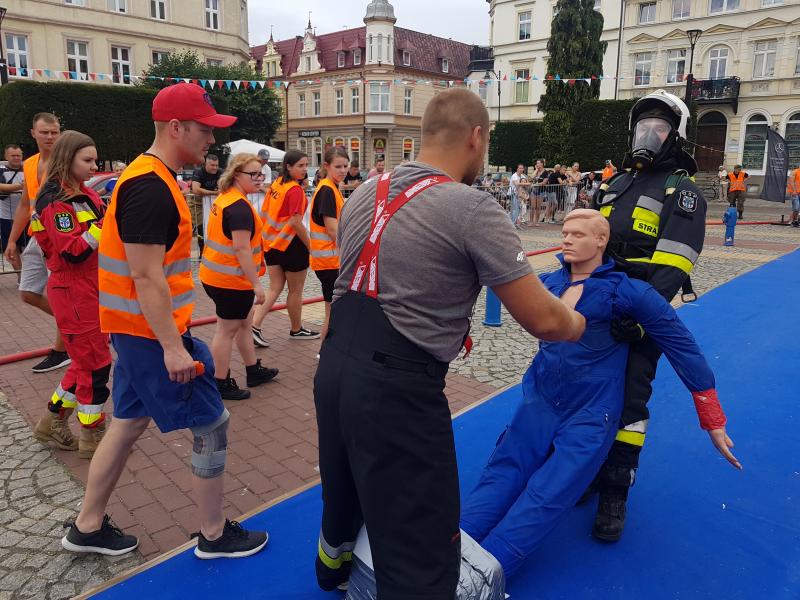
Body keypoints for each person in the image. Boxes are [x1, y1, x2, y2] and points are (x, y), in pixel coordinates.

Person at [312, 88, 585, 598]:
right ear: (476, 138)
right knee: (422, 533)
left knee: (344, 481)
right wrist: (579, 319)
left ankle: (333, 570)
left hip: (334, 367)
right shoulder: (471, 207)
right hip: (398, 388)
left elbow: (352, 287)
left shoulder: (363, 194)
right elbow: (543, 320)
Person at [460, 210, 741, 578]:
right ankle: (449, 548)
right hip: (539, 402)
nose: (568, 238)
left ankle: (481, 576)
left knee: (549, 493)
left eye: (578, 233)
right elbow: (488, 288)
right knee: (503, 471)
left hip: (591, 414)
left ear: (601, 240)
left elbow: (681, 345)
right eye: (565, 232)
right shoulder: (545, 284)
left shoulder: (628, 291)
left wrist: (712, 416)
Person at [62, 83, 268, 559]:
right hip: (149, 336)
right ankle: (214, 535)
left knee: (128, 423)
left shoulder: (149, 177)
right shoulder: (150, 187)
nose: (211, 141)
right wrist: (173, 347)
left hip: (135, 332)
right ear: (176, 127)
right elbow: (146, 275)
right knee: (212, 423)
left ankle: (86, 525)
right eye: (205, 130)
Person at [591, 89, 708, 541]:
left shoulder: (683, 191)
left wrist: (643, 316)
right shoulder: (613, 184)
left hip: (642, 314)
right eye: (643, 127)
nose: (649, 134)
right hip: (599, 309)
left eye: (659, 128)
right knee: (588, 395)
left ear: (675, 137)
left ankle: (615, 492)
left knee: (630, 404)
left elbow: (676, 264)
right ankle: (585, 470)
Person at [30, 131, 110, 458]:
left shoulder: (82, 194)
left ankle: (52, 421)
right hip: (73, 288)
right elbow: (72, 252)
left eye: (94, 160)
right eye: (87, 160)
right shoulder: (56, 201)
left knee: (84, 362)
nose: (94, 166)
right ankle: (93, 438)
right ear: (68, 158)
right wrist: (103, 226)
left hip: (90, 286)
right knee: (96, 365)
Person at [199, 153, 279, 400]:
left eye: (261, 173)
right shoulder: (238, 208)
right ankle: (220, 382)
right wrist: (257, 285)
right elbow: (241, 248)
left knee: (244, 323)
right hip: (230, 281)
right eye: (253, 174)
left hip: (216, 275)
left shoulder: (226, 199)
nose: (259, 178)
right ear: (236, 175)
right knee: (226, 330)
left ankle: (253, 369)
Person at [3, 113, 71, 373]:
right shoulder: (29, 164)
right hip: (36, 236)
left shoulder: (66, 161)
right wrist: (11, 240)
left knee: (61, 293)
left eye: (54, 132)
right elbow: (25, 203)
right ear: (33, 133)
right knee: (28, 292)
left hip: (60, 238)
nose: (50, 137)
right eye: (44, 132)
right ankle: (75, 326)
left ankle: (61, 349)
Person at [250, 150, 319, 347]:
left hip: (272, 243)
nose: (305, 170)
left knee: (274, 287)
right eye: (300, 165)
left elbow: (267, 212)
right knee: (295, 290)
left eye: (306, 165)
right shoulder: (295, 190)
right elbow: (296, 223)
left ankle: (254, 325)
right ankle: (296, 329)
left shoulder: (277, 184)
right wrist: (311, 246)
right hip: (291, 244)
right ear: (289, 166)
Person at [309, 146, 349, 343]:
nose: (342, 170)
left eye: (345, 166)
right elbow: (332, 229)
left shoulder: (331, 188)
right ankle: (324, 353)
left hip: (329, 259)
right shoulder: (327, 190)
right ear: (326, 166)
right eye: (338, 166)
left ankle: (326, 352)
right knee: (331, 312)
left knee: (333, 310)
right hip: (329, 261)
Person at [190, 153, 221, 252]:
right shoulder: (199, 172)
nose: (215, 168)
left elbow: (227, 185)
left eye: (216, 165)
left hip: (214, 203)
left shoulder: (220, 172)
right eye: (212, 165)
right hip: (198, 203)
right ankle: (202, 252)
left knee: (215, 226)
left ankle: (215, 251)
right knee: (201, 228)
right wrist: (214, 192)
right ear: (206, 164)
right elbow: (195, 189)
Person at [0, 144, 26, 258]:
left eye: (18, 155)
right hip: (7, 216)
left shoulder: (30, 168)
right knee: (11, 248)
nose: (16, 158)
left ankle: (27, 274)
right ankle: (19, 275)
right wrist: (22, 186)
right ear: (6, 156)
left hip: (27, 217)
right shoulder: (1, 170)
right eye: (13, 155)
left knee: (28, 247)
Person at [509, 164, 530, 229]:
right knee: (515, 209)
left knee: (519, 209)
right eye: (520, 168)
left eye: (522, 168)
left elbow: (527, 181)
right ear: (517, 169)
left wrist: (527, 183)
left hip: (519, 194)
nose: (521, 169)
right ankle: (512, 223)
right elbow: (516, 183)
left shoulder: (522, 176)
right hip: (513, 193)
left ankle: (515, 223)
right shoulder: (514, 176)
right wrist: (527, 183)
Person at [531, 159, 548, 226]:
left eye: (538, 163)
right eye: (536, 163)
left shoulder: (545, 172)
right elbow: (532, 177)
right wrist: (536, 170)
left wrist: (537, 184)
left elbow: (544, 182)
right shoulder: (536, 171)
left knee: (538, 207)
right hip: (534, 191)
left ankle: (537, 221)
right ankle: (531, 221)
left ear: (542, 164)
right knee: (532, 206)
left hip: (541, 191)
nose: (537, 164)